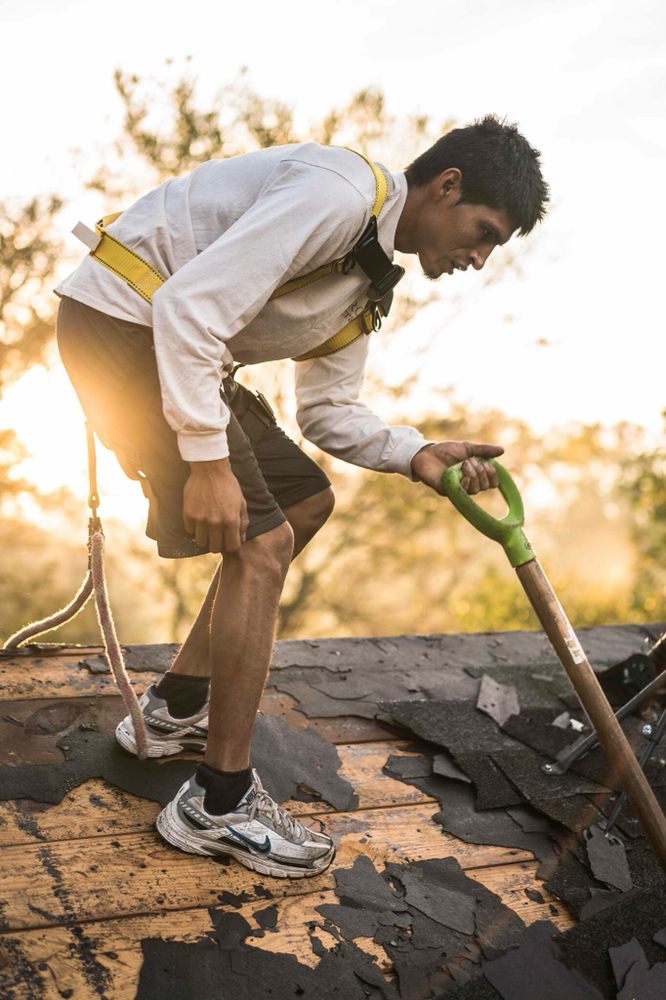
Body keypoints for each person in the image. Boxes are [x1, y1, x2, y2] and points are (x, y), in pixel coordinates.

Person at [55, 114, 549, 879]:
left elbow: (329, 414)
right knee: (265, 543)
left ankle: (177, 705)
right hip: (125, 327)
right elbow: (190, 307)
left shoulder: (369, 276)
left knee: (304, 502)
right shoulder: (338, 194)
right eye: (481, 232)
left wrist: (415, 450)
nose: (478, 258)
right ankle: (217, 804)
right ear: (445, 185)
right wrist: (208, 461)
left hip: (178, 348)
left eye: (492, 248)